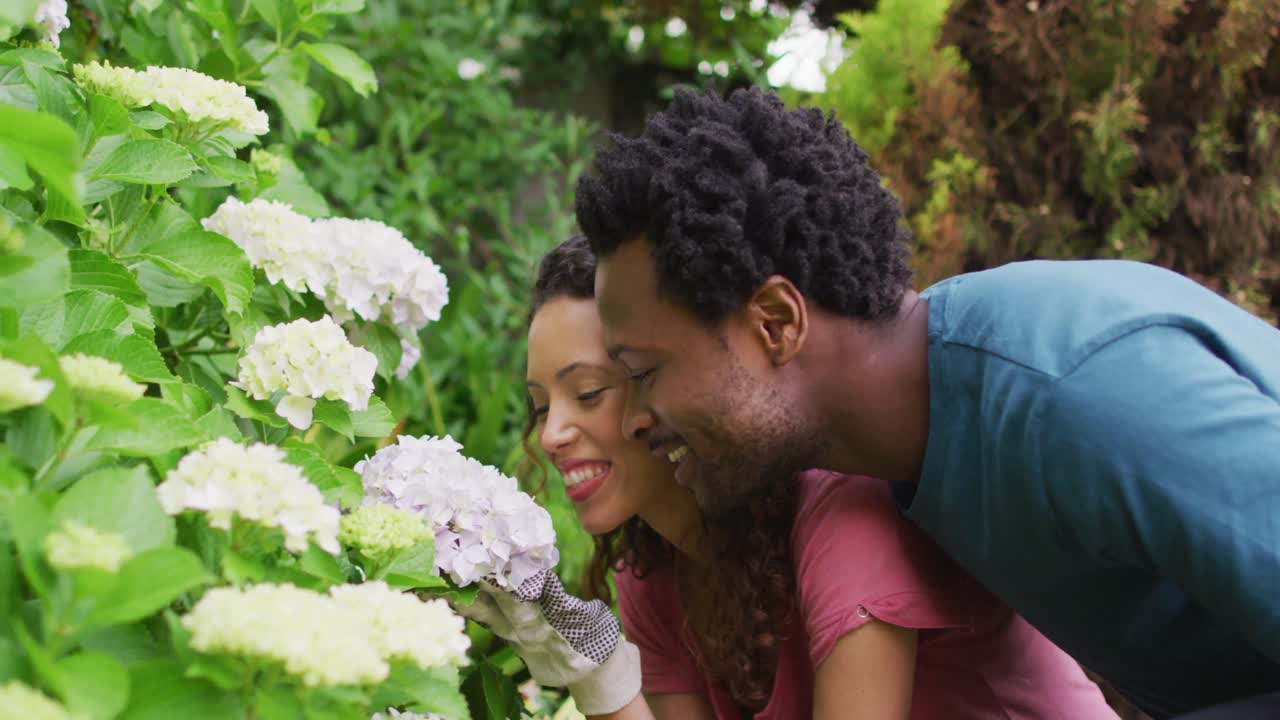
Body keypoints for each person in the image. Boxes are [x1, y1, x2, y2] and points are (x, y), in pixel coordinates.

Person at [573, 87, 1280, 719]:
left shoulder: (1075, 392)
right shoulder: (911, 449)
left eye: (643, 371)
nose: (633, 417)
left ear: (776, 324)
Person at [461, 236, 1118, 719]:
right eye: (541, 405)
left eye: (588, 392)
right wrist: (596, 668)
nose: (551, 435)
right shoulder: (653, 579)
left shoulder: (841, 517)